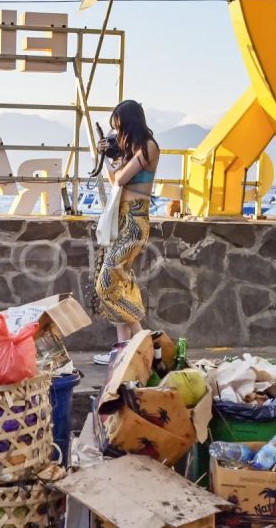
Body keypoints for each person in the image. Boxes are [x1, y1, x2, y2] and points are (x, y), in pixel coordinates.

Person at [91, 100, 159, 365]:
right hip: (121, 219)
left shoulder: (148, 147)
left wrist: (114, 158)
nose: (115, 131)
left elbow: (121, 180)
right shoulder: (131, 150)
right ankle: (121, 352)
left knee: (106, 285)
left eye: (117, 125)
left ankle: (144, 340)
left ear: (128, 122)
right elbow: (113, 181)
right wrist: (108, 159)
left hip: (134, 221)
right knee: (120, 283)